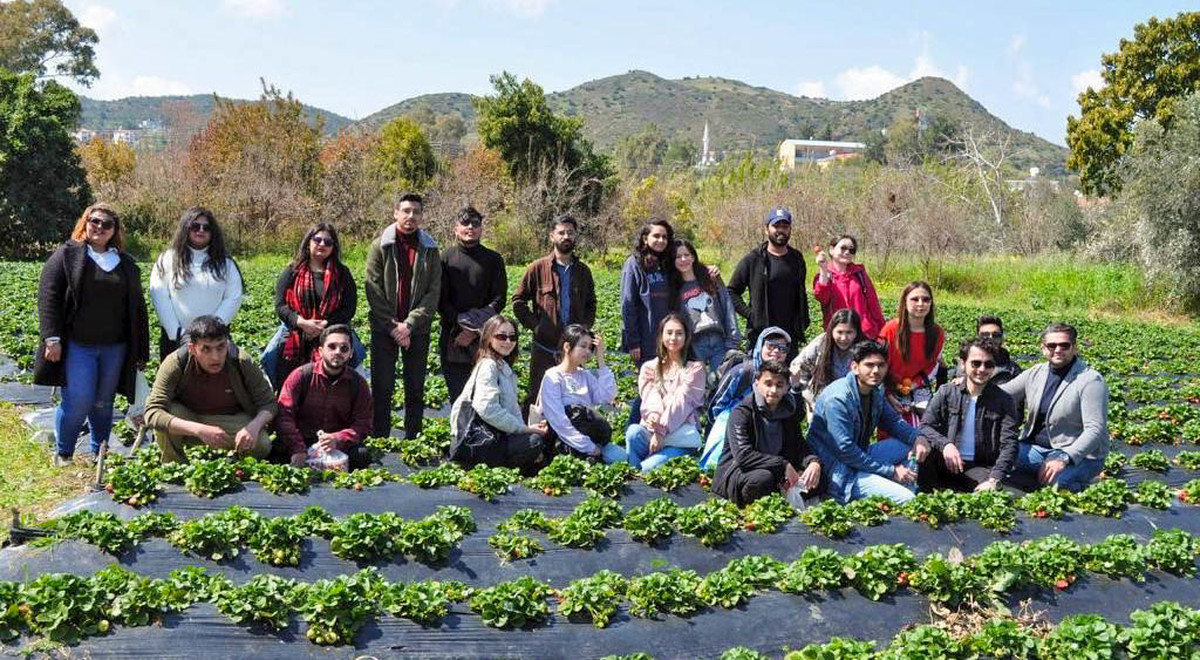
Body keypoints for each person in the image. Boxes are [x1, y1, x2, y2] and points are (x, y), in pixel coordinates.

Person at [35, 204, 150, 466]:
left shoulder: (126, 265)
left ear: (114, 231)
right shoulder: (68, 254)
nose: (99, 227)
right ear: (85, 223)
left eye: (106, 224)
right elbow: (48, 295)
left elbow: (138, 311)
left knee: (103, 402)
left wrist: (140, 352)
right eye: (94, 221)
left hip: (115, 347)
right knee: (78, 400)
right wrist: (51, 338)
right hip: (78, 344)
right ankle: (64, 453)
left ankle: (100, 452)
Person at [806, 341, 929, 504]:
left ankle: (903, 485)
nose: (876, 371)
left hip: (859, 455)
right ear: (855, 367)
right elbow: (846, 450)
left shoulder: (875, 391)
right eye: (869, 365)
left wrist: (917, 437)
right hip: (839, 469)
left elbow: (893, 422)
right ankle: (901, 493)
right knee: (908, 499)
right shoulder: (838, 399)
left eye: (881, 365)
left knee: (910, 445)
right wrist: (890, 471)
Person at [144, 316, 275, 463]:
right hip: (189, 418)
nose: (215, 357)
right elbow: (152, 411)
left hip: (230, 419)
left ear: (227, 344)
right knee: (166, 415)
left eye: (220, 347)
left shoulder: (241, 361)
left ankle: (237, 462)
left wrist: (253, 427)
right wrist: (199, 429)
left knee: (262, 445)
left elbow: (268, 403)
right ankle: (174, 464)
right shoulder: (176, 362)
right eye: (206, 349)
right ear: (192, 349)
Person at [365, 192, 441, 439]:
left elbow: (433, 292)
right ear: (395, 213)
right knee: (382, 386)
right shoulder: (380, 246)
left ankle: (413, 436)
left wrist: (408, 325)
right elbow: (373, 289)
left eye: (416, 212)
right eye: (406, 211)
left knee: (415, 386)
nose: (410, 216)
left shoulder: (430, 249)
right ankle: (380, 436)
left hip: (416, 330)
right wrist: (393, 326)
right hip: (383, 329)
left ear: (421, 216)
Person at [1000, 323, 1109, 492]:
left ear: (1074, 348)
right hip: (1035, 448)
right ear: (1043, 348)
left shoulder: (1090, 380)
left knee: (1056, 484)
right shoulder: (1036, 372)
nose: (1058, 350)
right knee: (995, 459)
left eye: (1064, 345)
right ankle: (1037, 475)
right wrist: (969, 383)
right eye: (1052, 345)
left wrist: (1064, 457)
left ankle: (1077, 482)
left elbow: (1095, 430)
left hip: (1078, 455)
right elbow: (1002, 394)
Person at [512, 216, 597, 411]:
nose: (566, 236)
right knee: (537, 396)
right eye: (561, 232)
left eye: (570, 233)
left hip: (574, 349)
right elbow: (518, 301)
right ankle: (534, 437)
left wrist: (584, 329)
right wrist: (536, 326)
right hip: (544, 347)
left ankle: (566, 438)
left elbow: (591, 303)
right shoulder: (537, 268)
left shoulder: (583, 272)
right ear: (552, 236)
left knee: (572, 398)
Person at [264, 222, 359, 389]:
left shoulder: (342, 273)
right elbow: (280, 305)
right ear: (308, 242)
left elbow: (349, 308)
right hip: (296, 327)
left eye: (328, 242)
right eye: (317, 239)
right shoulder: (292, 271)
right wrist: (301, 322)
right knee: (269, 356)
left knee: (358, 354)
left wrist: (324, 325)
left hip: (332, 328)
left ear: (333, 247)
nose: (322, 244)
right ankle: (280, 392)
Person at [713, 360, 822, 506]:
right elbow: (743, 456)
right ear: (757, 383)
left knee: (816, 476)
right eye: (768, 384)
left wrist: (813, 462)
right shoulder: (741, 412)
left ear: (786, 387)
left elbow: (799, 446)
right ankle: (749, 511)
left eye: (779, 385)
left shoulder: (788, 411)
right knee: (762, 479)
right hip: (738, 472)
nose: (773, 390)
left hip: (775, 469)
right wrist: (783, 465)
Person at [918, 337, 1020, 492]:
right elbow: (925, 426)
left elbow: (1010, 443)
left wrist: (995, 479)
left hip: (977, 467)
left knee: (998, 493)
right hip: (943, 461)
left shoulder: (1004, 400)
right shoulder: (947, 392)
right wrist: (945, 445)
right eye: (976, 363)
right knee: (923, 459)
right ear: (963, 364)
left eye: (988, 364)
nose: (982, 369)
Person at [449, 315, 547, 472]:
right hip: (476, 440)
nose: (508, 341)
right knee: (534, 442)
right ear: (488, 338)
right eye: (501, 336)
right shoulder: (488, 366)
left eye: (512, 337)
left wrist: (524, 428)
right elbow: (487, 408)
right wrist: (523, 430)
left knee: (538, 441)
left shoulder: (503, 367)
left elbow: (513, 409)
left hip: (495, 437)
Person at [274, 325, 373, 471]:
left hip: (336, 444)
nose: (337, 352)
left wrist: (337, 439)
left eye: (344, 348)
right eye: (332, 347)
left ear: (351, 353)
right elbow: (284, 415)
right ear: (320, 351)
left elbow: (363, 423)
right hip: (302, 439)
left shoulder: (358, 383)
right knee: (276, 452)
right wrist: (298, 448)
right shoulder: (301, 375)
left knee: (361, 455)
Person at [149, 207, 243, 358]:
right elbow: (159, 296)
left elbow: (234, 297)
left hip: (215, 343)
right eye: (195, 226)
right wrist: (178, 333)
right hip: (175, 342)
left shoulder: (226, 264)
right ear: (186, 228)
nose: (201, 230)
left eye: (206, 227)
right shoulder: (166, 259)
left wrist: (211, 331)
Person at [438, 205, 507, 403]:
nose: (470, 227)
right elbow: (440, 300)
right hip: (453, 336)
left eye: (475, 224)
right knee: (458, 397)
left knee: (485, 396)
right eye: (465, 223)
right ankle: (460, 434)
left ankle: (484, 435)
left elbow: (499, 299)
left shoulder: (493, 259)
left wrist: (475, 329)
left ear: (481, 229)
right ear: (456, 228)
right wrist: (461, 324)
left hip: (486, 337)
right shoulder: (445, 258)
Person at [700, 326, 792, 471]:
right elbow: (717, 404)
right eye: (771, 345)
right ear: (760, 345)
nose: (776, 351)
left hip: (764, 429)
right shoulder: (743, 372)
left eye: (782, 349)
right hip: (731, 425)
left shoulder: (785, 378)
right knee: (717, 468)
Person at [625, 314, 707, 473]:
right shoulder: (649, 367)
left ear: (686, 337)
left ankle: (645, 467)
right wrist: (654, 417)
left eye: (679, 333)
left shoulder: (695, 369)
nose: (673, 338)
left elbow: (681, 402)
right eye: (669, 333)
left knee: (648, 468)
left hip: (679, 438)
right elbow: (649, 396)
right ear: (661, 336)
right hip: (652, 432)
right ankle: (632, 477)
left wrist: (661, 430)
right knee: (633, 432)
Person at [728, 206, 810, 359]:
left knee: (786, 380)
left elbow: (801, 292)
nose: (781, 230)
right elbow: (731, 292)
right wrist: (751, 315)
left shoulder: (797, 258)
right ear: (767, 229)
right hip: (761, 335)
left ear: (790, 230)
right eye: (776, 226)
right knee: (760, 379)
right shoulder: (753, 259)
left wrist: (803, 320)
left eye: (785, 226)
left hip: (789, 335)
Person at [537, 324, 626, 463]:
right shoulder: (553, 377)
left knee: (622, 458)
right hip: (563, 440)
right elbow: (559, 422)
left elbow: (608, 396)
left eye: (590, 347)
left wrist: (601, 359)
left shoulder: (585, 375)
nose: (588, 351)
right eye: (583, 346)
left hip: (590, 436)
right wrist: (589, 447)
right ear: (567, 347)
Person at [668, 239, 741, 377]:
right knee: (699, 386)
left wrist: (733, 338)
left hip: (719, 341)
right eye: (678, 257)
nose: (683, 259)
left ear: (693, 256)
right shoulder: (673, 288)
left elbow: (727, 305)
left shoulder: (710, 277)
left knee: (723, 383)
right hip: (694, 345)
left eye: (687, 255)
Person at [877, 281, 945, 426]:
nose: (921, 304)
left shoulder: (936, 333)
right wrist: (889, 395)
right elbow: (878, 365)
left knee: (925, 429)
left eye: (926, 299)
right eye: (915, 299)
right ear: (905, 302)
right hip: (889, 388)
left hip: (918, 387)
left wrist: (914, 385)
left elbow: (933, 365)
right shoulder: (890, 330)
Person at [620, 218, 675, 370]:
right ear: (645, 238)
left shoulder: (669, 262)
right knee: (650, 387)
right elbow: (627, 304)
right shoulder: (634, 264)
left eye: (665, 237)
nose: (661, 240)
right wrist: (633, 342)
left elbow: (690, 263)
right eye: (656, 236)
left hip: (671, 339)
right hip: (646, 341)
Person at [790, 308, 862, 420]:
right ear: (831, 330)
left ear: (856, 332)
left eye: (849, 332)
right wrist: (806, 392)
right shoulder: (821, 344)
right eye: (839, 332)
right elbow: (799, 365)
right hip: (820, 404)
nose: (844, 338)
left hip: (851, 407)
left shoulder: (862, 349)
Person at [813, 234, 885, 340]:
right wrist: (823, 269)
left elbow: (874, 305)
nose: (847, 252)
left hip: (864, 334)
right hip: (839, 336)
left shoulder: (860, 274)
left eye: (851, 250)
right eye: (843, 248)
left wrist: (882, 332)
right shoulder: (823, 276)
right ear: (831, 250)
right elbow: (822, 297)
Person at [973, 315, 1022, 386]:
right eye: (985, 335)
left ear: (1002, 338)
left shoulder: (1013, 371)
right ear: (977, 337)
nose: (990, 338)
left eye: (995, 335)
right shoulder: (964, 368)